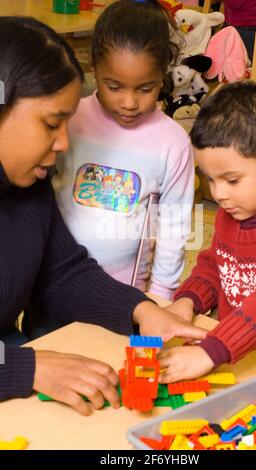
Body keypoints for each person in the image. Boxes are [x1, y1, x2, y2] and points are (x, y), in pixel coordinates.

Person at [0, 16, 206, 414]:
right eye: (50, 123)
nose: (64, 142)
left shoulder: (29, 182)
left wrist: (143, 309)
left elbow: (63, 272)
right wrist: (27, 367)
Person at [159, 81, 256, 383]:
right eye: (210, 178)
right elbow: (216, 265)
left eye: (231, 180)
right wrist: (189, 300)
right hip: (243, 358)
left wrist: (211, 351)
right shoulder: (236, 208)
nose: (218, 193)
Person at [53, 0, 194, 300]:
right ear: (93, 67)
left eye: (145, 88)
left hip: (126, 298)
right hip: (54, 289)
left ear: (163, 75)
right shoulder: (71, 118)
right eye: (114, 86)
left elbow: (174, 230)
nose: (129, 102)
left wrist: (159, 297)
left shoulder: (172, 142)